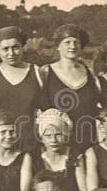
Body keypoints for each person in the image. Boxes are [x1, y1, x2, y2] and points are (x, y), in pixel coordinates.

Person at [39, 24, 100, 154]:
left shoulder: (90, 72)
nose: (72, 46)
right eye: (67, 42)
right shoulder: (46, 72)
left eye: (76, 42)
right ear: (58, 46)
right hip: (58, 143)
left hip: (88, 139)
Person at [0, 26, 43, 153]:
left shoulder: (37, 72)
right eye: (5, 49)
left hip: (30, 145)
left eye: (15, 47)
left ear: (22, 47)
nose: (11, 53)